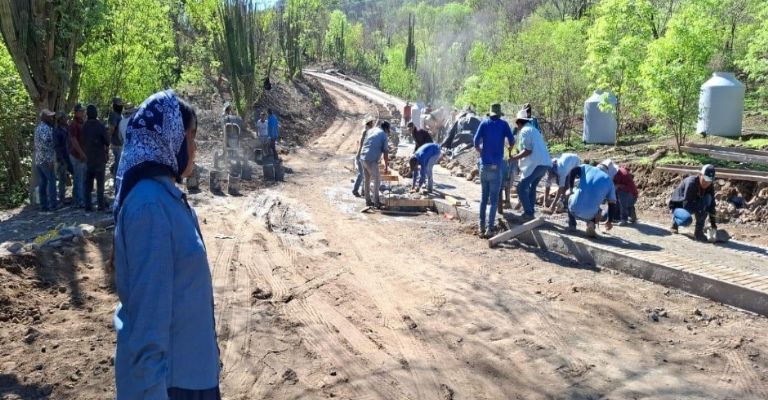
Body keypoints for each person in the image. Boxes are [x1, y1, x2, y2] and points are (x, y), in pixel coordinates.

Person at [112, 90, 220, 400]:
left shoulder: (166, 198)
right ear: (170, 136)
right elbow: (148, 317)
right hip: (172, 385)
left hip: (191, 376)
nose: (196, 148)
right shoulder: (149, 206)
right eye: (192, 137)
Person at [473, 103, 515, 238]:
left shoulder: (484, 123)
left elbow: (475, 141)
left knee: (483, 199)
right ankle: (490, 229)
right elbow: (512, 141)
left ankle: (481, 227)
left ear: (490, 113)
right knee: (494, 200)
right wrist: (509, 150)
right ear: (499, 113)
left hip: (484, 167)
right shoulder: (504, 125)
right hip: (496, 168)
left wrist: (481, 151)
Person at [511, 108, 551, 220]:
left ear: (519, 122)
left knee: (521, 188)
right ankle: (531, 211)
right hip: (545, 163)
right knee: (532, 187)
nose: (517, 126)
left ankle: (528, 213)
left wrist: (514, 158)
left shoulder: (524, 131)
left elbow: (528, 150)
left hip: (536, 164)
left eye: (517, 124)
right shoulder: (533, 129)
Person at [566, 163, 618, 238]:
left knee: (570, 194)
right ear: (606, 172)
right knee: (600, 210)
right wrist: (609, 221)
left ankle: (572, 224)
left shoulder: (586, 168)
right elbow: (612, 203)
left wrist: (570, 188)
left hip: (574, 209)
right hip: (590, 214)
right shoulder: (610, 181)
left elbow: (573, 170)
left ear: (597, 166)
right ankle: (591, 224)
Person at [668, 164, 717, 241]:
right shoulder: (691, 183)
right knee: (686, 220)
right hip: (680, 206)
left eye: (709, 181)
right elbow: (686, 203)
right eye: (705, 179)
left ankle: (698, 232)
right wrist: (702, 209)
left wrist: (713, 225)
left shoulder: (709, 186)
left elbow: (712, 206)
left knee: (708, 200)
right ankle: (675, 222)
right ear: (700, 175)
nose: (707, 183)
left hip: (694, 204)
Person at [81, 104, 110, 212]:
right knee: (100, 185)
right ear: (95, 113)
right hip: (99, 158)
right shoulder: (99, 125)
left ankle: (88, 206)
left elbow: (82, 140)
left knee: (88, 185)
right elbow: (107, 141)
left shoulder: (84, 126)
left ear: (87, 114)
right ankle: (100, 206)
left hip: (88, 158)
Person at [359, 121, 390, 208]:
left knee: (367, 179)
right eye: (388, 130)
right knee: (377, 179)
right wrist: (386, 167)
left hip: (363, 157)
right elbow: (386, 152)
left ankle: (368, 201)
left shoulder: (371, 130)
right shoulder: (383, 135)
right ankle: (376, 202)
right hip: (371, 159)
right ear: (386, 129)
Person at [34, 109, 57, 211]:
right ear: (44, 117)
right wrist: (50, 160)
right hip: (45, 160)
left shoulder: (38, 128)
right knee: (51, 181)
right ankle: (53, 205)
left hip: (38, 159)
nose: (51, 118)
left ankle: (44, 205)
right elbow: (46, 145)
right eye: (50, 116)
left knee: (43, 182)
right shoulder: (45, 129)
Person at [68, 104, 87, 208]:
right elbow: (74, 140)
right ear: (75, 113)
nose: (83, 113)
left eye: (83, 111)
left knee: (81, 178)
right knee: (79, 178)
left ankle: (78, 199)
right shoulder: (73, 125)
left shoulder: (82, 123)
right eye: (81, 111)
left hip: (82, 154)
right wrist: (81, 153)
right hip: (76, 155)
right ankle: (79, 200)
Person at [53, 111, 72, 206]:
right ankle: (61, 199)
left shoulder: (66, 129)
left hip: (69, 156)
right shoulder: (57, 131)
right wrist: (61, 159)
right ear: (60, 120)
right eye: (64, 118)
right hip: (62, 158)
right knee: (62, 179)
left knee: (73, 175)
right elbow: (57, 147)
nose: (66, 119)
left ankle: (73, 195)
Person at [353, 117, 375, 197]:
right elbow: (363, 145)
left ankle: (363, 191)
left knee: (366, 174)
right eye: (372, 123)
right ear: (369, 124)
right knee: (361, 174)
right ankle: (355, 190)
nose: (373, 124)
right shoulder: (366, 132)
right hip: (361, 156)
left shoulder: (368, 132)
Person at [109, 97, 124, 185]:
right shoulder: (114, 114)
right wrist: (107, 141)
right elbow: (112, 128)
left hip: (119, 143)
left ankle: (113, 171)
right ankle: (116, 182)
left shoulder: (119, 115)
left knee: (118, 163)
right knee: (118, 164)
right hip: (116, 143)